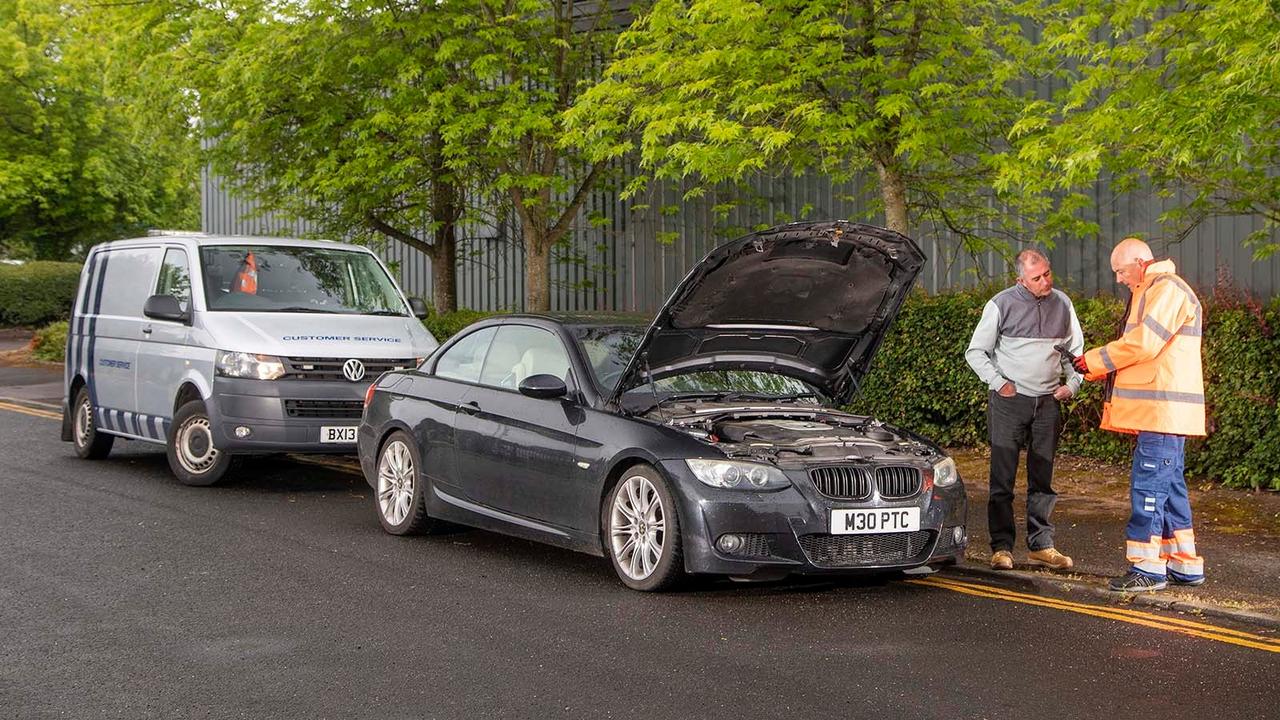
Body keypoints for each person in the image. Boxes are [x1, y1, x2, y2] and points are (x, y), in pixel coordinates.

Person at [1072, 237, 1207, 592]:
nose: (1118, 278)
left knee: (1148, 487)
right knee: (1169, 487)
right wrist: (1096, 366)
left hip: (1160, 412)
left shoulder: (1164, 289)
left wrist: (1095, 360)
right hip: (1162, 413)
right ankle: (1183, 563)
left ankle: (1148, 568)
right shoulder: (1156, 290)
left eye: (1120, 270)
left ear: (1140, 262)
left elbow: (1144, 344)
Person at [966, 249, 1082, 571]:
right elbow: (976, 351)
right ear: (1021, 280)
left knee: (1042, 479)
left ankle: (1041, 546)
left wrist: (1072, 385)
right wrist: (998, 382)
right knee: (1002, 479)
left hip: (1048, 402)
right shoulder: (1000, 304)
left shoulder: (1063, 304)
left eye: (1047, 273)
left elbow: (1077, 354)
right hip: (1010, 401)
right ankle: (1002, 547)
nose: (1045, 281)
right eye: (1037, 277)